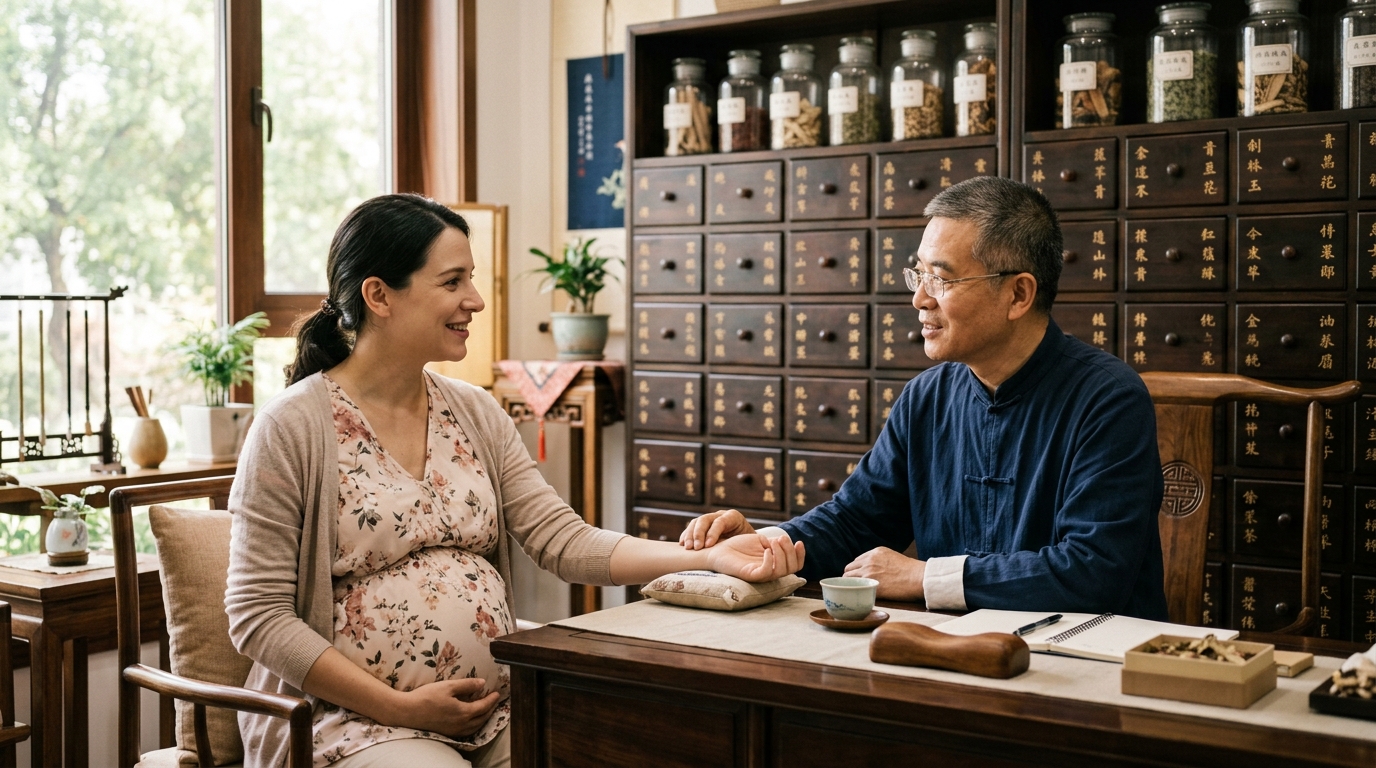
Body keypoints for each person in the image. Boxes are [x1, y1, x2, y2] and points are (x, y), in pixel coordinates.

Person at [224, 194, 804, 768]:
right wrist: (400, 706)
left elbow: (565, 542)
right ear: (379, 295)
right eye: (452, 282)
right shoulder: (292, 426)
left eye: (471, 280)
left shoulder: (474, 411)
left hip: (498, 710)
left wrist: (707, 560)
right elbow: (259, 616)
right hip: (352, 722)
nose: (474, 301)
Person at [681, 176, 1168, 621]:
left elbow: (1092, 571)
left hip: (1078, 667)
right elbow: (857, 520)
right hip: (948, 653)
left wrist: (921, 577)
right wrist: (768, 544)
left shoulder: (1108, 398)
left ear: (1018, 295)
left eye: (942, 278)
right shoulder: (927, 397)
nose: (920, 299)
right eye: (919, 275)